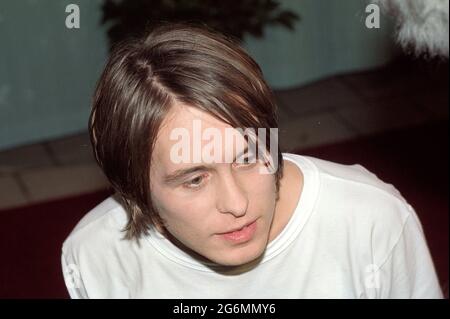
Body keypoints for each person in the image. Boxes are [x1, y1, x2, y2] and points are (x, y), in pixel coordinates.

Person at [61, 23, 443, 298]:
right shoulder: (96, 255)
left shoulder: (373, 220)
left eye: (248, 157)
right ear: (135, 190)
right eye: (194, 179)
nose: (238, 204)